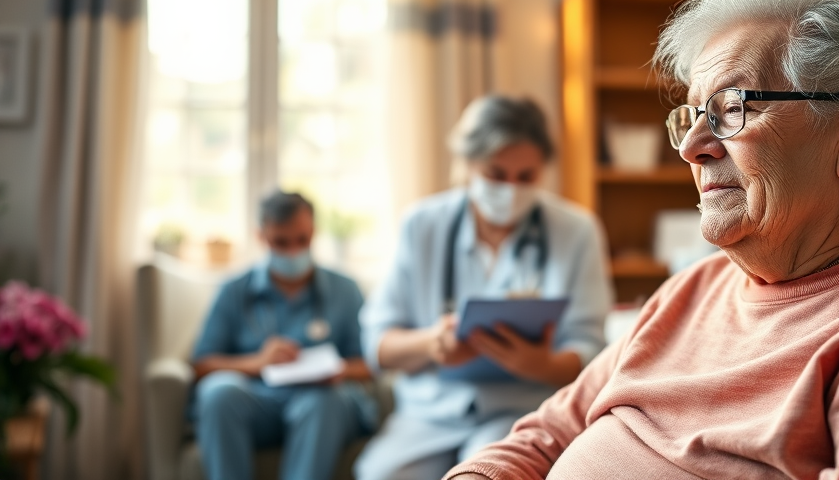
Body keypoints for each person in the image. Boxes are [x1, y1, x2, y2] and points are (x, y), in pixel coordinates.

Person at [444, 0, 839, 480]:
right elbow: (541, 436)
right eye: (692, 115)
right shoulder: (688, 292)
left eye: (731, 109)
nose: (692, 147)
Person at [355, 95, 614, 480]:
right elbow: (378, 345)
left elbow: (593, 349)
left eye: (525, 177)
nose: (510, 190)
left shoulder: (576, 231)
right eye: (495, 174)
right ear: (467, 165)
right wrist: (430, 343)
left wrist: (543, 365)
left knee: (487, 474)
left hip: (521, 410)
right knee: (377, 473)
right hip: (430, 414)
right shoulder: (422, 225)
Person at [190, 191, 376, 480]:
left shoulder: (345, 290)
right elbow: (202, 364)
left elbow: (371, 363)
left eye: (301, 240)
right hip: (257, 401)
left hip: (322, 403)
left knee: (323, 402)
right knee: (218, 392)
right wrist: (258, 363)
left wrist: (337, 371)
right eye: (281, 242)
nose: (292, 251)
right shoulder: (233, 290)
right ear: (261, 236)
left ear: (313, 232)